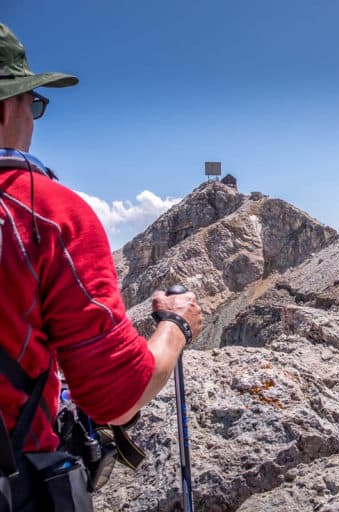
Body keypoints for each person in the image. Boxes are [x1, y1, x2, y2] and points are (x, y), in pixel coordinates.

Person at [0, 23, 202, 511]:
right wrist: (176, 325)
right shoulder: (44, 213)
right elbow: (115, 397)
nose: (34, 118)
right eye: (36, 104)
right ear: (8, 105)